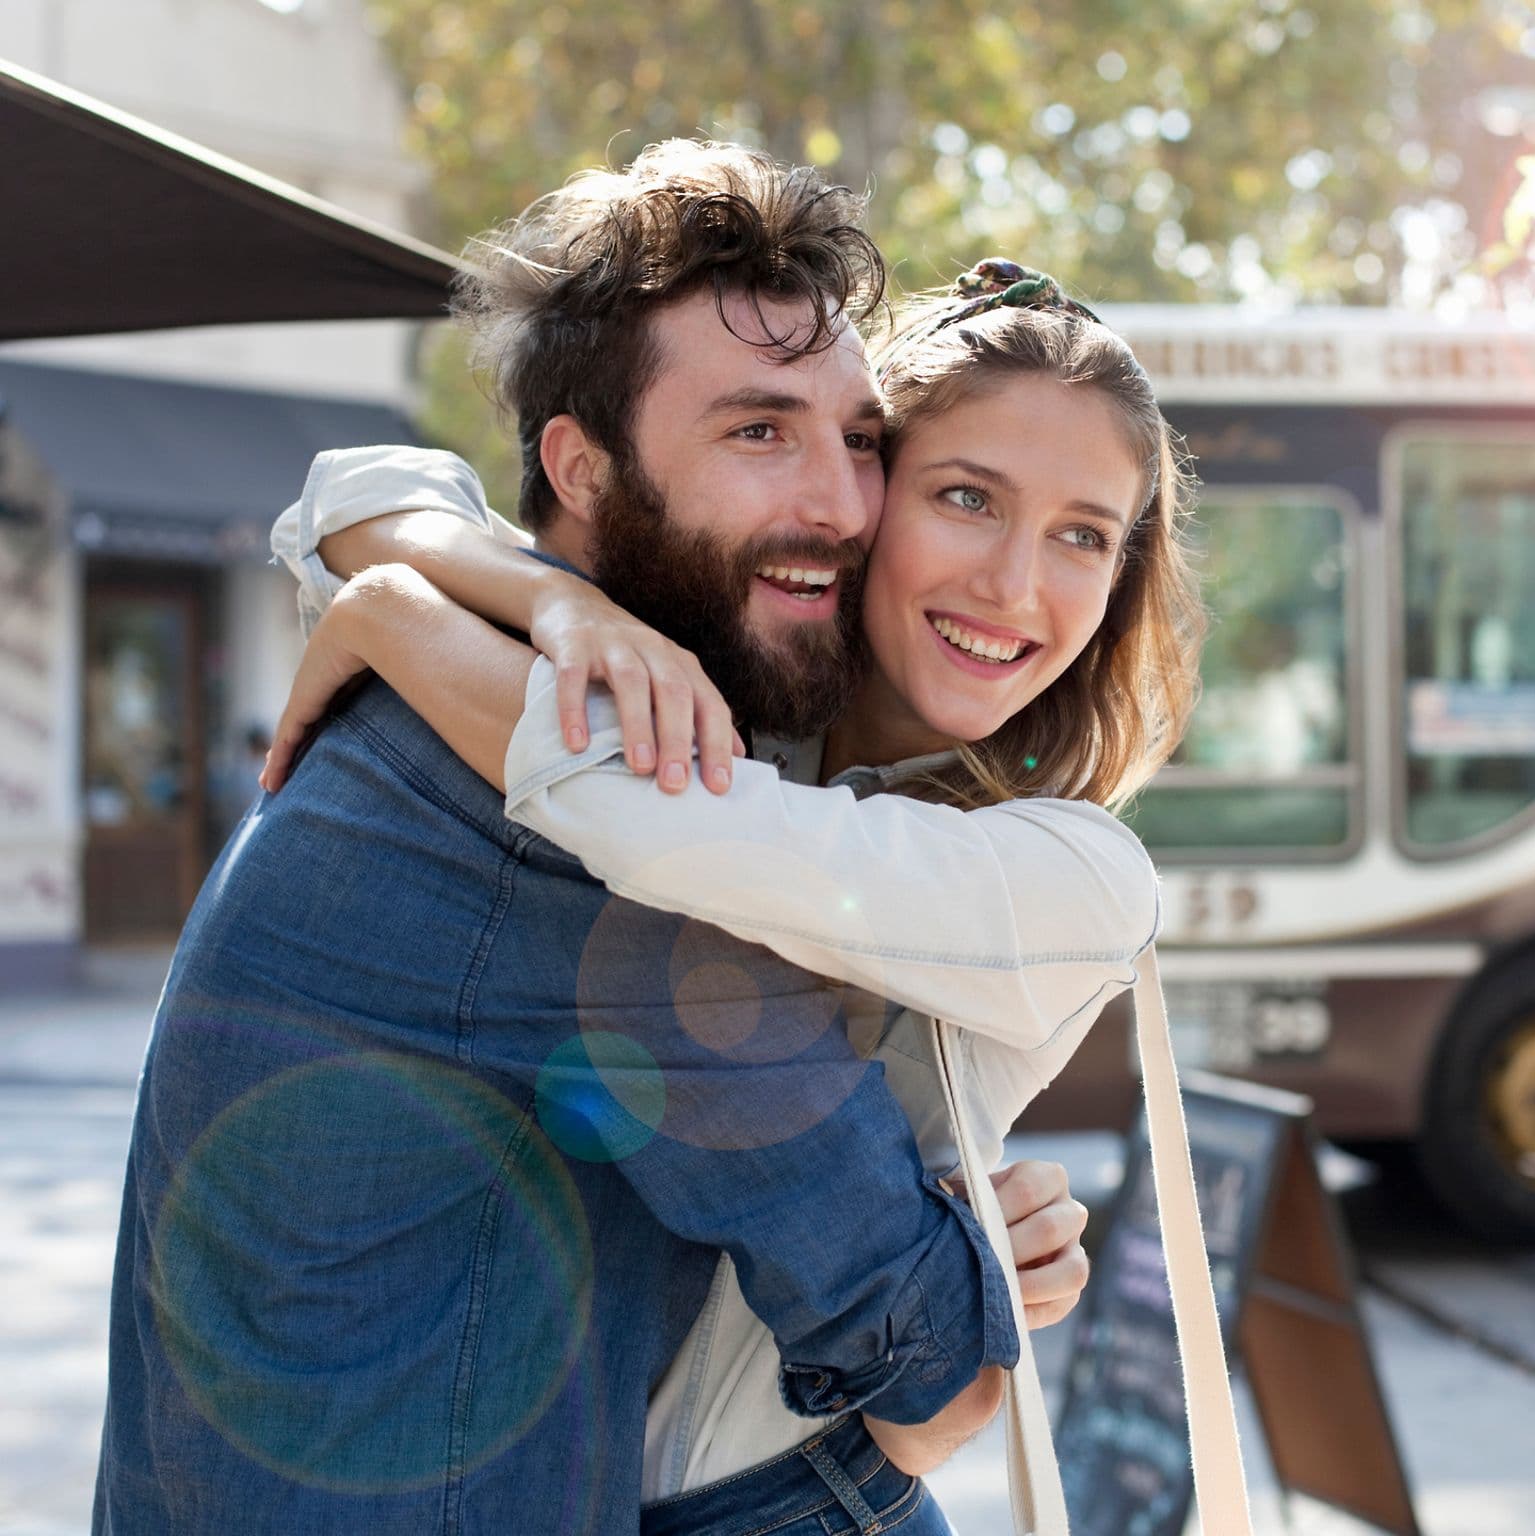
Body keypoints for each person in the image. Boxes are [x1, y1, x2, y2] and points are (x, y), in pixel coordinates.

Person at [93, 144, 1080, 1536]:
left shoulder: (469, 695)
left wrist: (426, 595)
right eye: (758, 432)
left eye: (857, 439)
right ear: (587, 471)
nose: (845, 506)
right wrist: (987, 1267)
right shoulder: (605, 838)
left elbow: (376, 493)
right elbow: (934, 1378)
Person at [259, 260, 1211, 1532]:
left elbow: (645, 819)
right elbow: (366, 483)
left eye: (1083, 535)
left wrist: (393, 612)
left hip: (799, 1495)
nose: (1014, 585)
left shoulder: (1076, 874)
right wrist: (523, 591)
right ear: (861, 500)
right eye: (966, 497)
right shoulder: (749, 720)